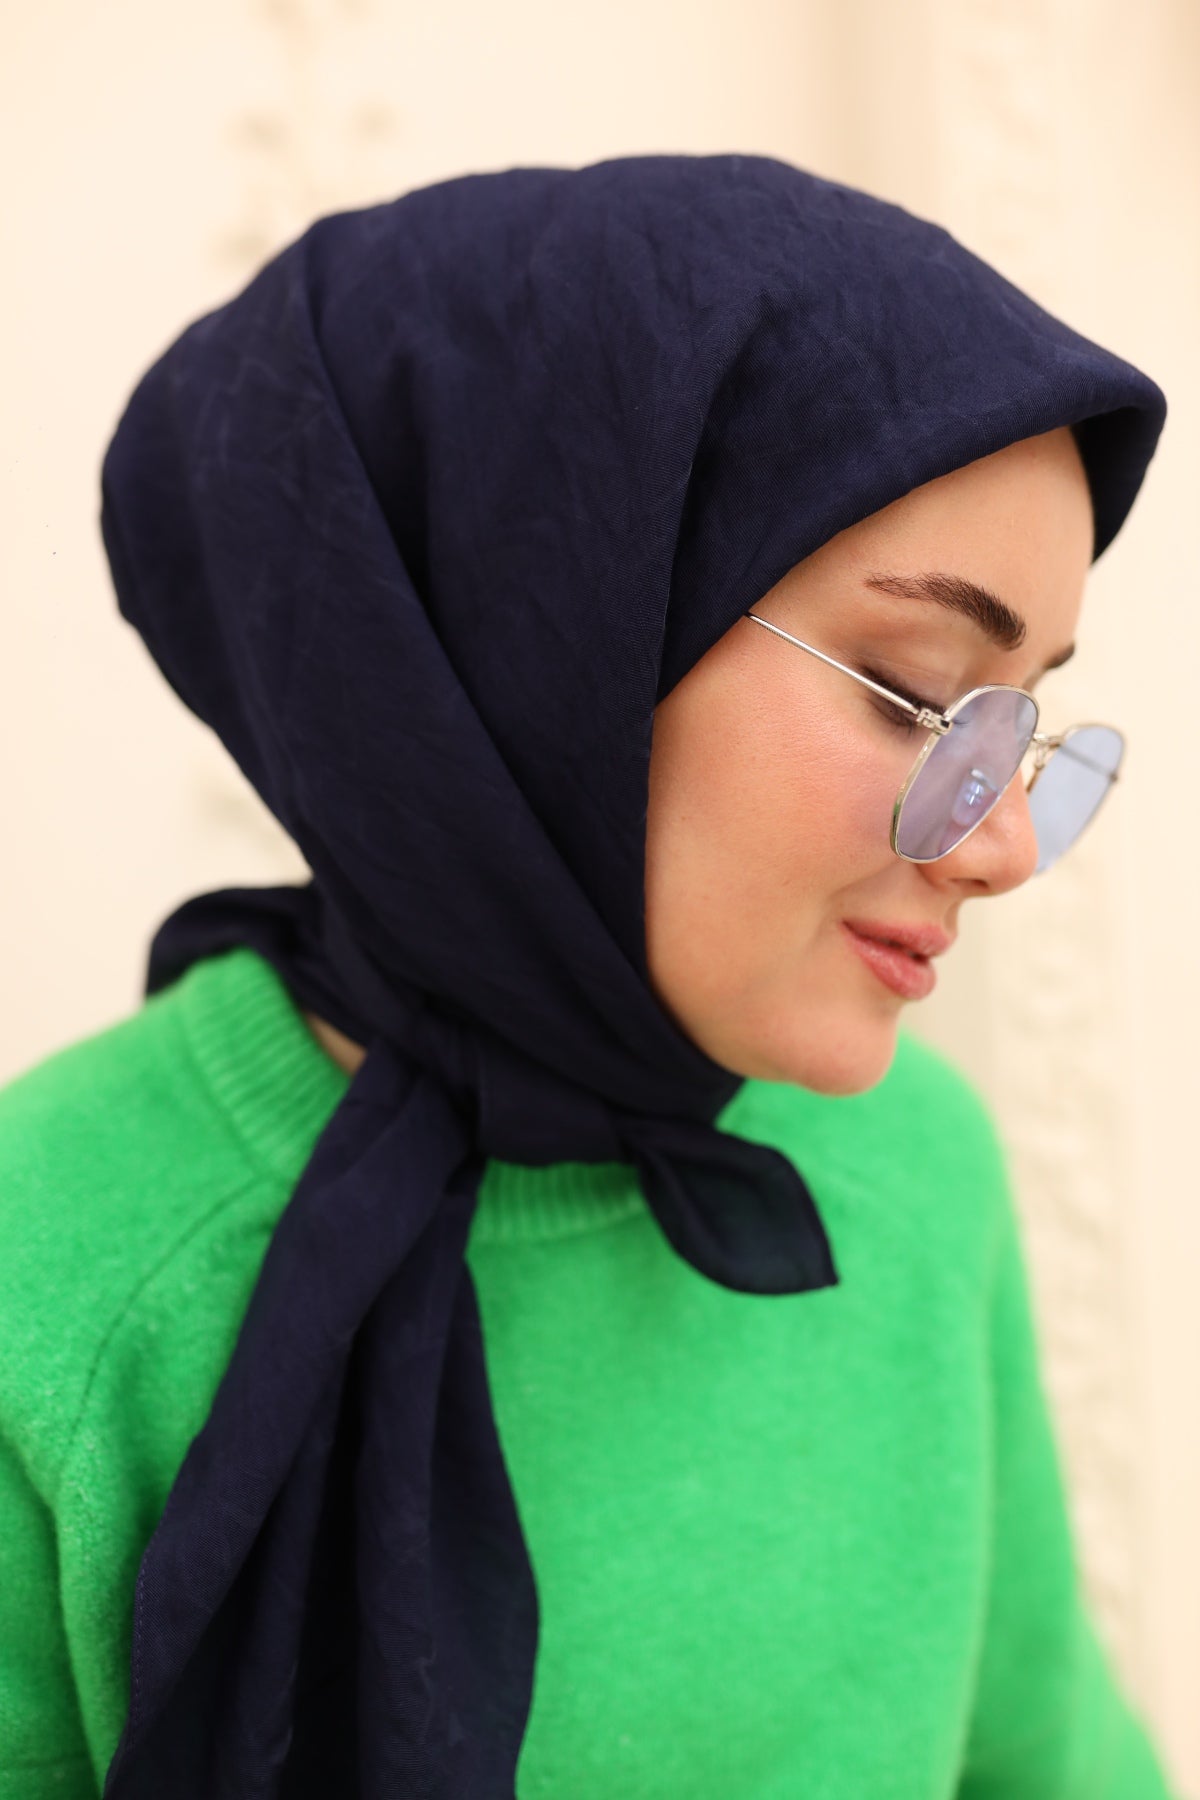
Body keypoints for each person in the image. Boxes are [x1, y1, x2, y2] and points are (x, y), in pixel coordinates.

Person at [0, 153, 1178, 1798]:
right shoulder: (52, 1264)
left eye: (1025, 724)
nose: (1005, 846)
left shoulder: (916, 1173)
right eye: (919, 697)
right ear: (541, 639)